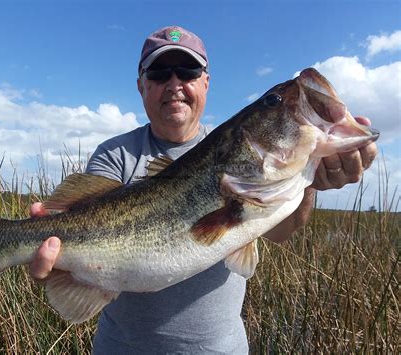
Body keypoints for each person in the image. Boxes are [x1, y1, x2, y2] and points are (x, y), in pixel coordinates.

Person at [29, 26, 378, 353]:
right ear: (141, 86)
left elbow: (282, 230)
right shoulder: (115, 153)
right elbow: (74, 222)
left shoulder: (253, 179)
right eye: (160, 73)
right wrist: (44, 251)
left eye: (188, 72)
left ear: (206, 83)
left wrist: (311, 183)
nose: (175, 83)